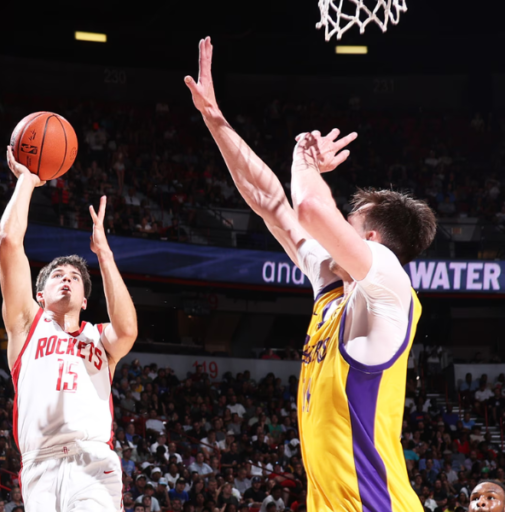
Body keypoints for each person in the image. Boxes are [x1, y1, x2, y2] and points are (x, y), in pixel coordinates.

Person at [185, 37, 437, 512]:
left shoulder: (388, 281)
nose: (338, 224)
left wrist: (305, 158)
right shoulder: (333, 286)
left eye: (350, 221)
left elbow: (307, 207)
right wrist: (215, 121)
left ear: (373, 240)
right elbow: (271, 203)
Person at [0, 147, 138, 511]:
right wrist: (27, 182)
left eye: (75, 277)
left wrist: (104, 255)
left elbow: (127, 330)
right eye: (57, 275)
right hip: (39, 466)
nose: (66, 279)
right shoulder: (26, 325)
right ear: (39, 294)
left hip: (91, 461)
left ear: (85, 300)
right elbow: (9, 243)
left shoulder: (99, 337)